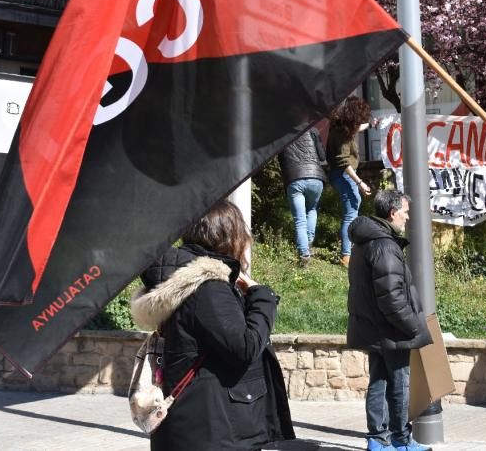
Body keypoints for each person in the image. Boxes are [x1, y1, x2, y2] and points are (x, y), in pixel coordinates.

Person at [131, 200, 294, 450]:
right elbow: (244, 347)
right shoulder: (208, 289)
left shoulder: (178, 282)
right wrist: (263, 298)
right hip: (213, 429)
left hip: (192, 423)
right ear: (228, 235)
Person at [347, 190, 432, 451]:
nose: (407, 218)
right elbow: (392, 297)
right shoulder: (384, 245)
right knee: (399, 384)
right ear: (393, 213)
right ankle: (401, 440)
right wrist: (414, 326)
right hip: (391, 330)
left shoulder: (366, 241)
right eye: (405, 212)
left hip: (374, 329)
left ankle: (378, 440)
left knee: (379, 381)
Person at [328, 96, 374, 266]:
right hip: (344, 174)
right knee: (351, 212)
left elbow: (356, 129)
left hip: (341, 174)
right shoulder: (342, 133)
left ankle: (348, 252)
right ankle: (346, 255)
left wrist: (371, 125)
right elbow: (344, 162)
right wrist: (359, 182)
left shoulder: (341, 127)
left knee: (353, 208)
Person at [278, 126, 328, 267]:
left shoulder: (281, 134)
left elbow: (281, 160)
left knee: (300, 220)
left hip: (294, 178)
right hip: (316, 177)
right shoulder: (313, 129)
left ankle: (304, 254)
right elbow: (323, 157)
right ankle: (309, 241)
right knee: (312, 210)